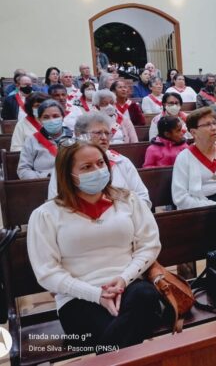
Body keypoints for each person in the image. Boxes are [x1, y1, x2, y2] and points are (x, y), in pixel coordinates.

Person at [28, 140, 161, 351]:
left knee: (145, 296)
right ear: (67, 174)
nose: (97, 170)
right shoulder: (46, 215)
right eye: (86, 167)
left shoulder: (128, 200)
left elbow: (149, 244)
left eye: (100, 163)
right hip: (77, 298)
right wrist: (96, 295)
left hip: (129, 288)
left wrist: (123, 280)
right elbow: (47, 272)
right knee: (121, 329)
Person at [47, 112, 149, 205]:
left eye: (107, 133)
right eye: (98, 133)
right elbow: (55, 202)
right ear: (80, 135)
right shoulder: (66, 163)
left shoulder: (121, 161)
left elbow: (143, 197)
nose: (104, 137)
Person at [172, 107, 216, 209]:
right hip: (201, 209)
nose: (214, 127)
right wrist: (214, 206)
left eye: (215, 123)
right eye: (207, 125)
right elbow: (180, 197)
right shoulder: (184, 157)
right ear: (193, 132)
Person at [18, 100, 73, 179]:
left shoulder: (74, 138)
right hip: (43, 184)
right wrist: (46, 177)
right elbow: (23, 170)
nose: (51, 120)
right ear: (40, 120)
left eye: (55, 116)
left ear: (63, 117)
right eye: (46, 117)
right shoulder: (31, 140)